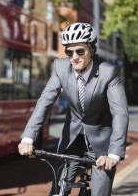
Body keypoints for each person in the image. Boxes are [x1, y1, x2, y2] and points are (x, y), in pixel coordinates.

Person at [18, 22, 129, 196]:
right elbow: (45, 101)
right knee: (57, 190)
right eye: (69, 52)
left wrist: (114, 154)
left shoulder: (109, 73)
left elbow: (120, 114)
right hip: (72, 140)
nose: (74, 57)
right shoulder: (61, 68)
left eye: (80, 51)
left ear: (91, 50)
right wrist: (28, 138)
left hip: (101, 145)